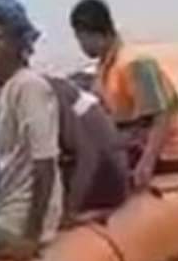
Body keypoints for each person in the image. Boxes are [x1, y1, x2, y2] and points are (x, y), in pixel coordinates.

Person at [0, 0, 60, 261]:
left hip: (18, 218)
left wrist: (30, 238)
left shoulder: (27, 87)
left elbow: (45, 164)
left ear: (17, 44)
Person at [69, 0, 178, 189]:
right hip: (132, 142)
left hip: (164, 153)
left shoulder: (135, 63)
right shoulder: (105, 66)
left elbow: (162, 114)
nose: (81, 46)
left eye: (80, 38)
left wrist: (146, 164)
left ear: (92, 33)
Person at [46, 71, 129, 220]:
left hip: (106, 173)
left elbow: (88, 155)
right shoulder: (55, 86)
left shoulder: (53, 94)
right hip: (106, 159)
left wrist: (71, 207)